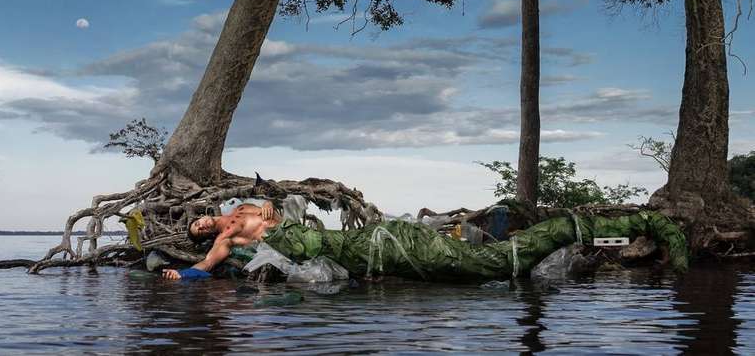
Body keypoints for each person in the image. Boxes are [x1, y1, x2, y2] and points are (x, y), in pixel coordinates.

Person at [165, 203, 689, 282]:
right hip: (387, 241)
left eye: (201, 224)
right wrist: (183, 270)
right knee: (496, 258)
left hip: (395, 246)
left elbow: (208, 266)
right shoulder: (243, 229)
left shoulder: (248, 214)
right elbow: (204, 267)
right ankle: (632, 228)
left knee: (500, 263)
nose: (207, 228)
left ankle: (649, 225)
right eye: (200, 232)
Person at [162, 201, 281, 280]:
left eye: (198, 223)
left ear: (203, 216)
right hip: (283, 240)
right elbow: (207, 263)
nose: (201, 226)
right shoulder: (224, 238)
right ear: (207, 236)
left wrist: (267, 204)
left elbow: (266, 204)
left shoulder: (240, 208)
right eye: (200, 231)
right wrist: (182, 274)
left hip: (292, 224)